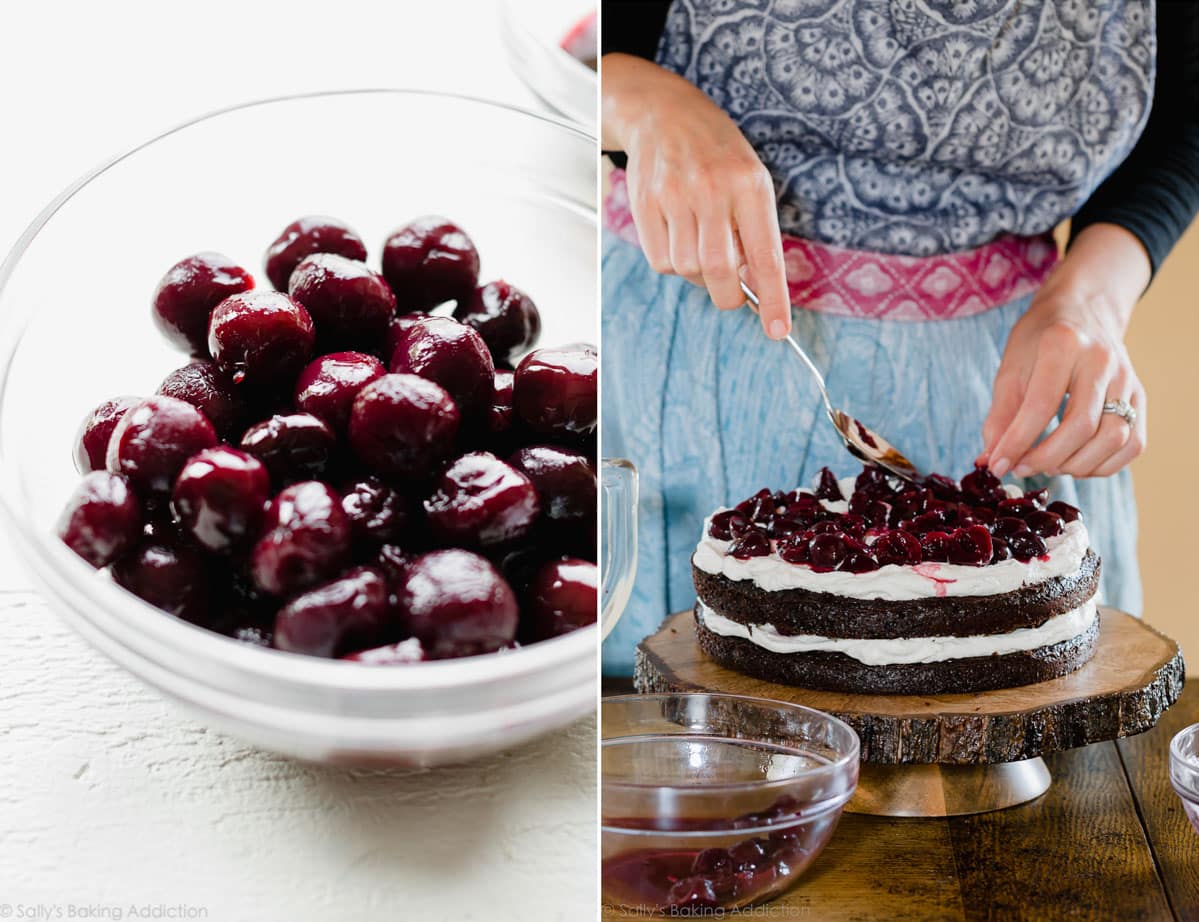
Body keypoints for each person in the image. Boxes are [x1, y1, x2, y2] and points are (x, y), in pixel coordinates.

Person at [600, 0, 1199, 674]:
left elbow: (1182, 110)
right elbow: (526, 43)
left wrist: (1090, 300)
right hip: (686, 366)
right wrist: (637, 97)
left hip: (1001, 380)